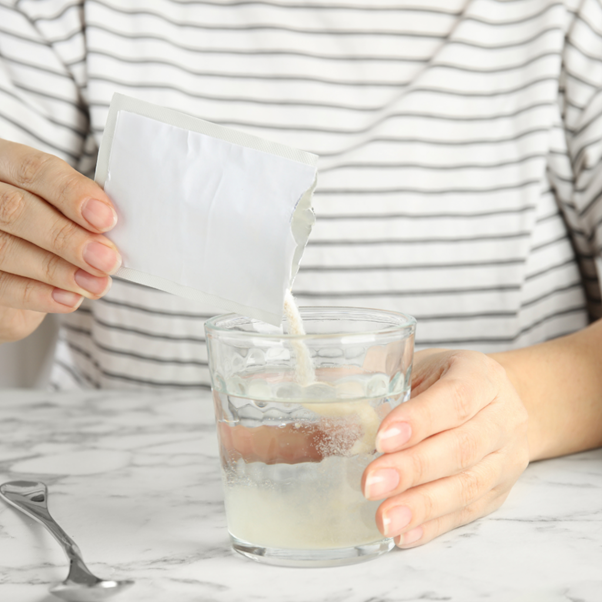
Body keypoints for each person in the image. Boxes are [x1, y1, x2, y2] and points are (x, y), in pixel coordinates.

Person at [0, 0, 601, 549]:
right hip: (122, 526)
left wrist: (523, 404)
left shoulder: (568, 20)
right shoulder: (66, 15)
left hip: (509, 541)